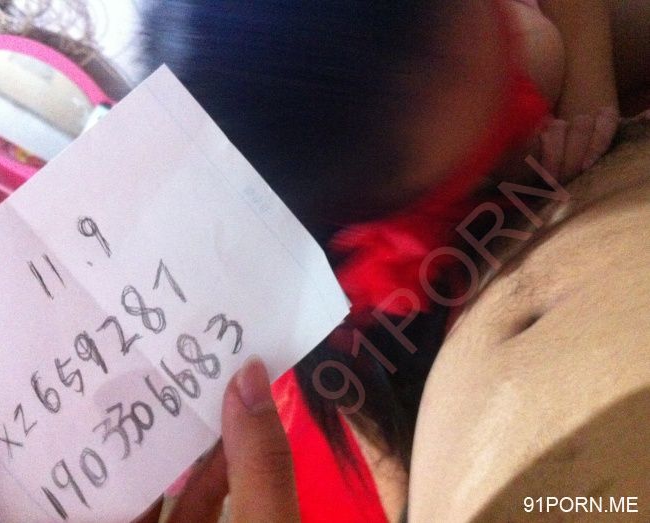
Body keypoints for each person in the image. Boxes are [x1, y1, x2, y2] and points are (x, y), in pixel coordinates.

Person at [142, 1, 650, 521]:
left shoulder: (523, 49)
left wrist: (591, 112)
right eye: (428, 77)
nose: (450, 62)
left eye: (437, 24)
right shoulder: (341, 298)